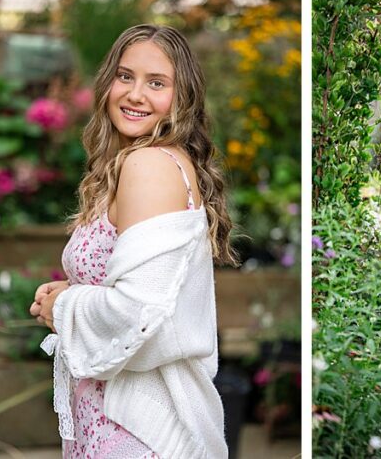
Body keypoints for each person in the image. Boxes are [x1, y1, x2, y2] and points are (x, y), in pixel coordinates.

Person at [28, 24, 239, 458]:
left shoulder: (149, 165)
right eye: (125, 76)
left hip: (135, 432)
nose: (135, 94)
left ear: (182, 98)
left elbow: (139, 314)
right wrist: (74, 289)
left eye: (156, 83)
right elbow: (151, 288)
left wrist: (63, 307)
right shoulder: (140, 163)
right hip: (108, 421)